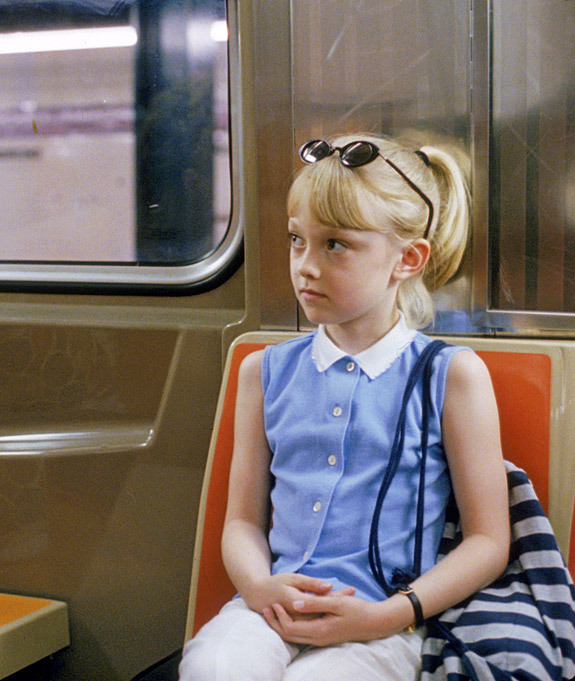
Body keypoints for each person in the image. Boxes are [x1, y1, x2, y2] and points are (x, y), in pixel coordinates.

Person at [179, 134, 511, 681]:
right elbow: (242, 521)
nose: (305, 266)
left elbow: (487, 541)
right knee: (216, 666)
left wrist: (389, 614)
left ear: (408, 258)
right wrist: (260, 588)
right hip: (272, 606)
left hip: (386, 622)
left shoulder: (451, 376)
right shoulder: (264, 372)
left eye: (335, 245)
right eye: (296, 241)